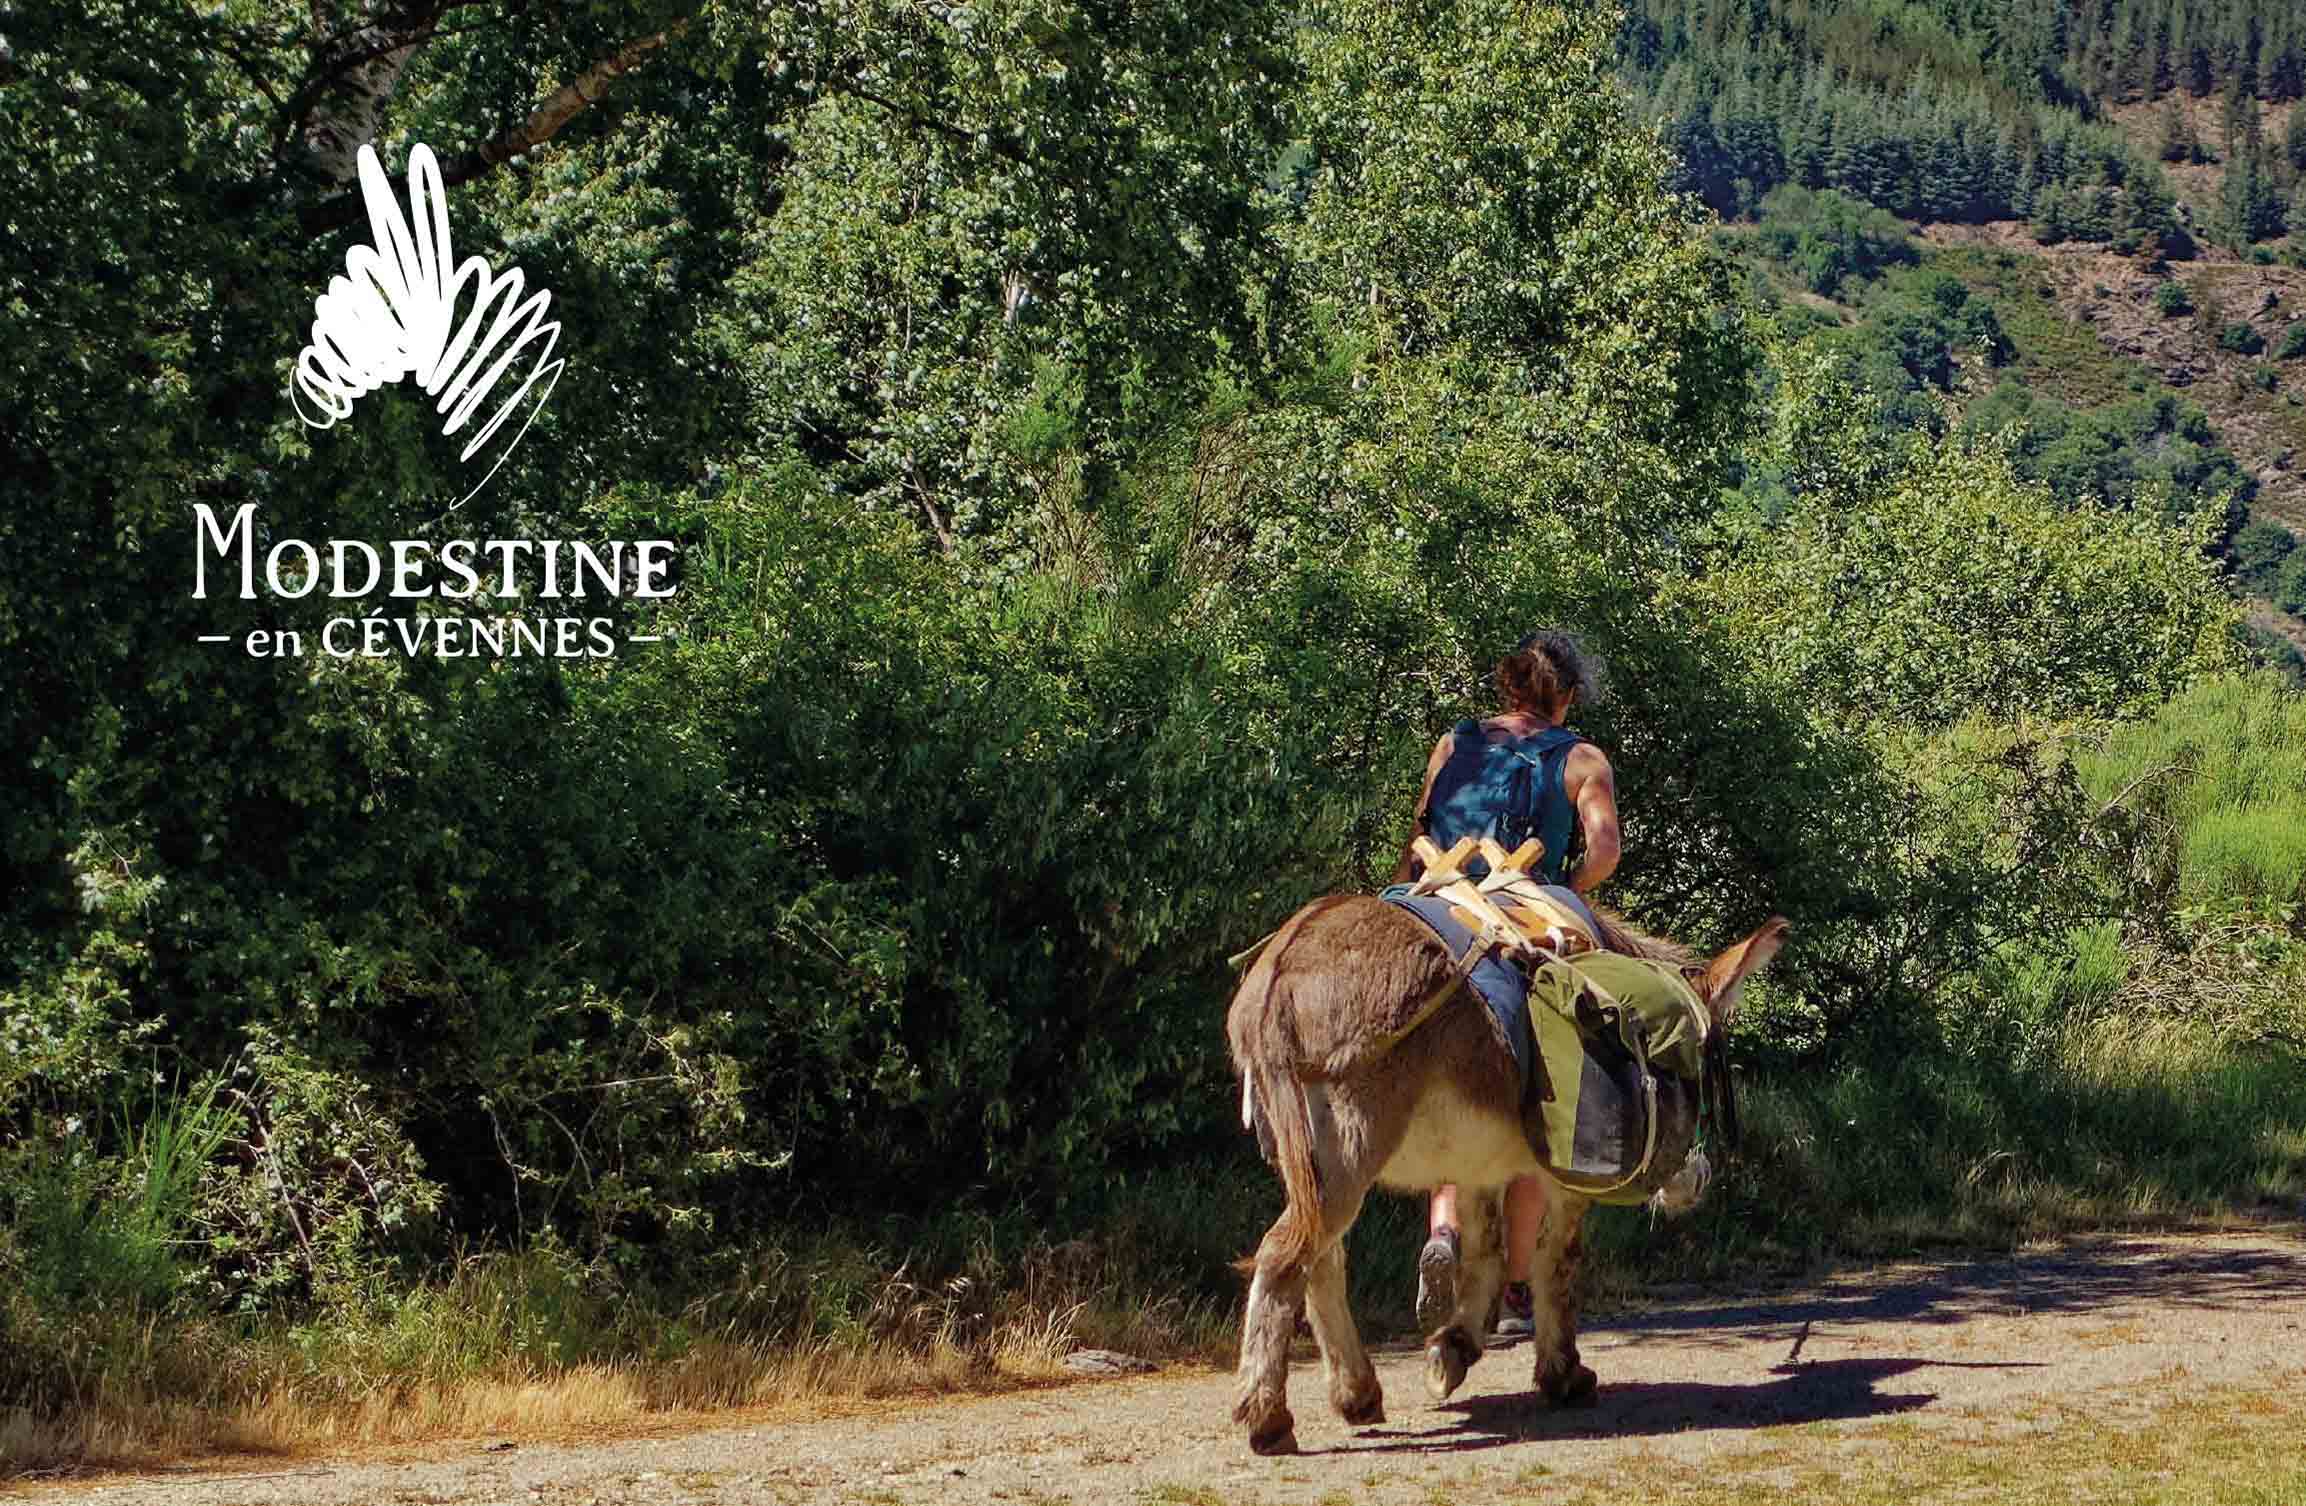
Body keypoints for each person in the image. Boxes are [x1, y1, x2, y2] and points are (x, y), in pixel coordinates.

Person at [1394, 630, 1620, 1340]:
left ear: (1508, 685)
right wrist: (1565, 889)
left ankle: (1443, 1231)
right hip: (1516, 912)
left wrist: (1405, 899)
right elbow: (1605, 850)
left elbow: (1416, 837)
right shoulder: (1581, 759)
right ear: (1568, 696)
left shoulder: (1452, 744)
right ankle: (1518, 1286)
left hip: (1432, 901)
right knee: (1537, 1091)